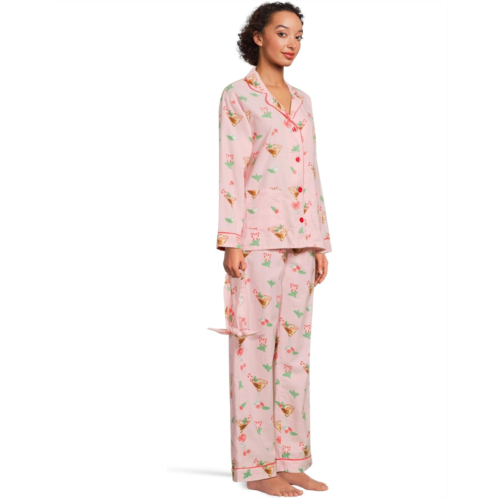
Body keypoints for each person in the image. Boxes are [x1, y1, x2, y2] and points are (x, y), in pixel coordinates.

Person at [208, 2, 331, 496]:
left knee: (295, 355)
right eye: (283, 33)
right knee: (254, 349)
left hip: (302, 240)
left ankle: (292, 458)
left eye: (299, 36)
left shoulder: (303, 101)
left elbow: (312, 170)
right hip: (256, 239)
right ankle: (258, 467)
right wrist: (230, 240)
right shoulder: (237, 96)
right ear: (258, 36)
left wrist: (320, 242)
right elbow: (231, 167)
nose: (292, 43)